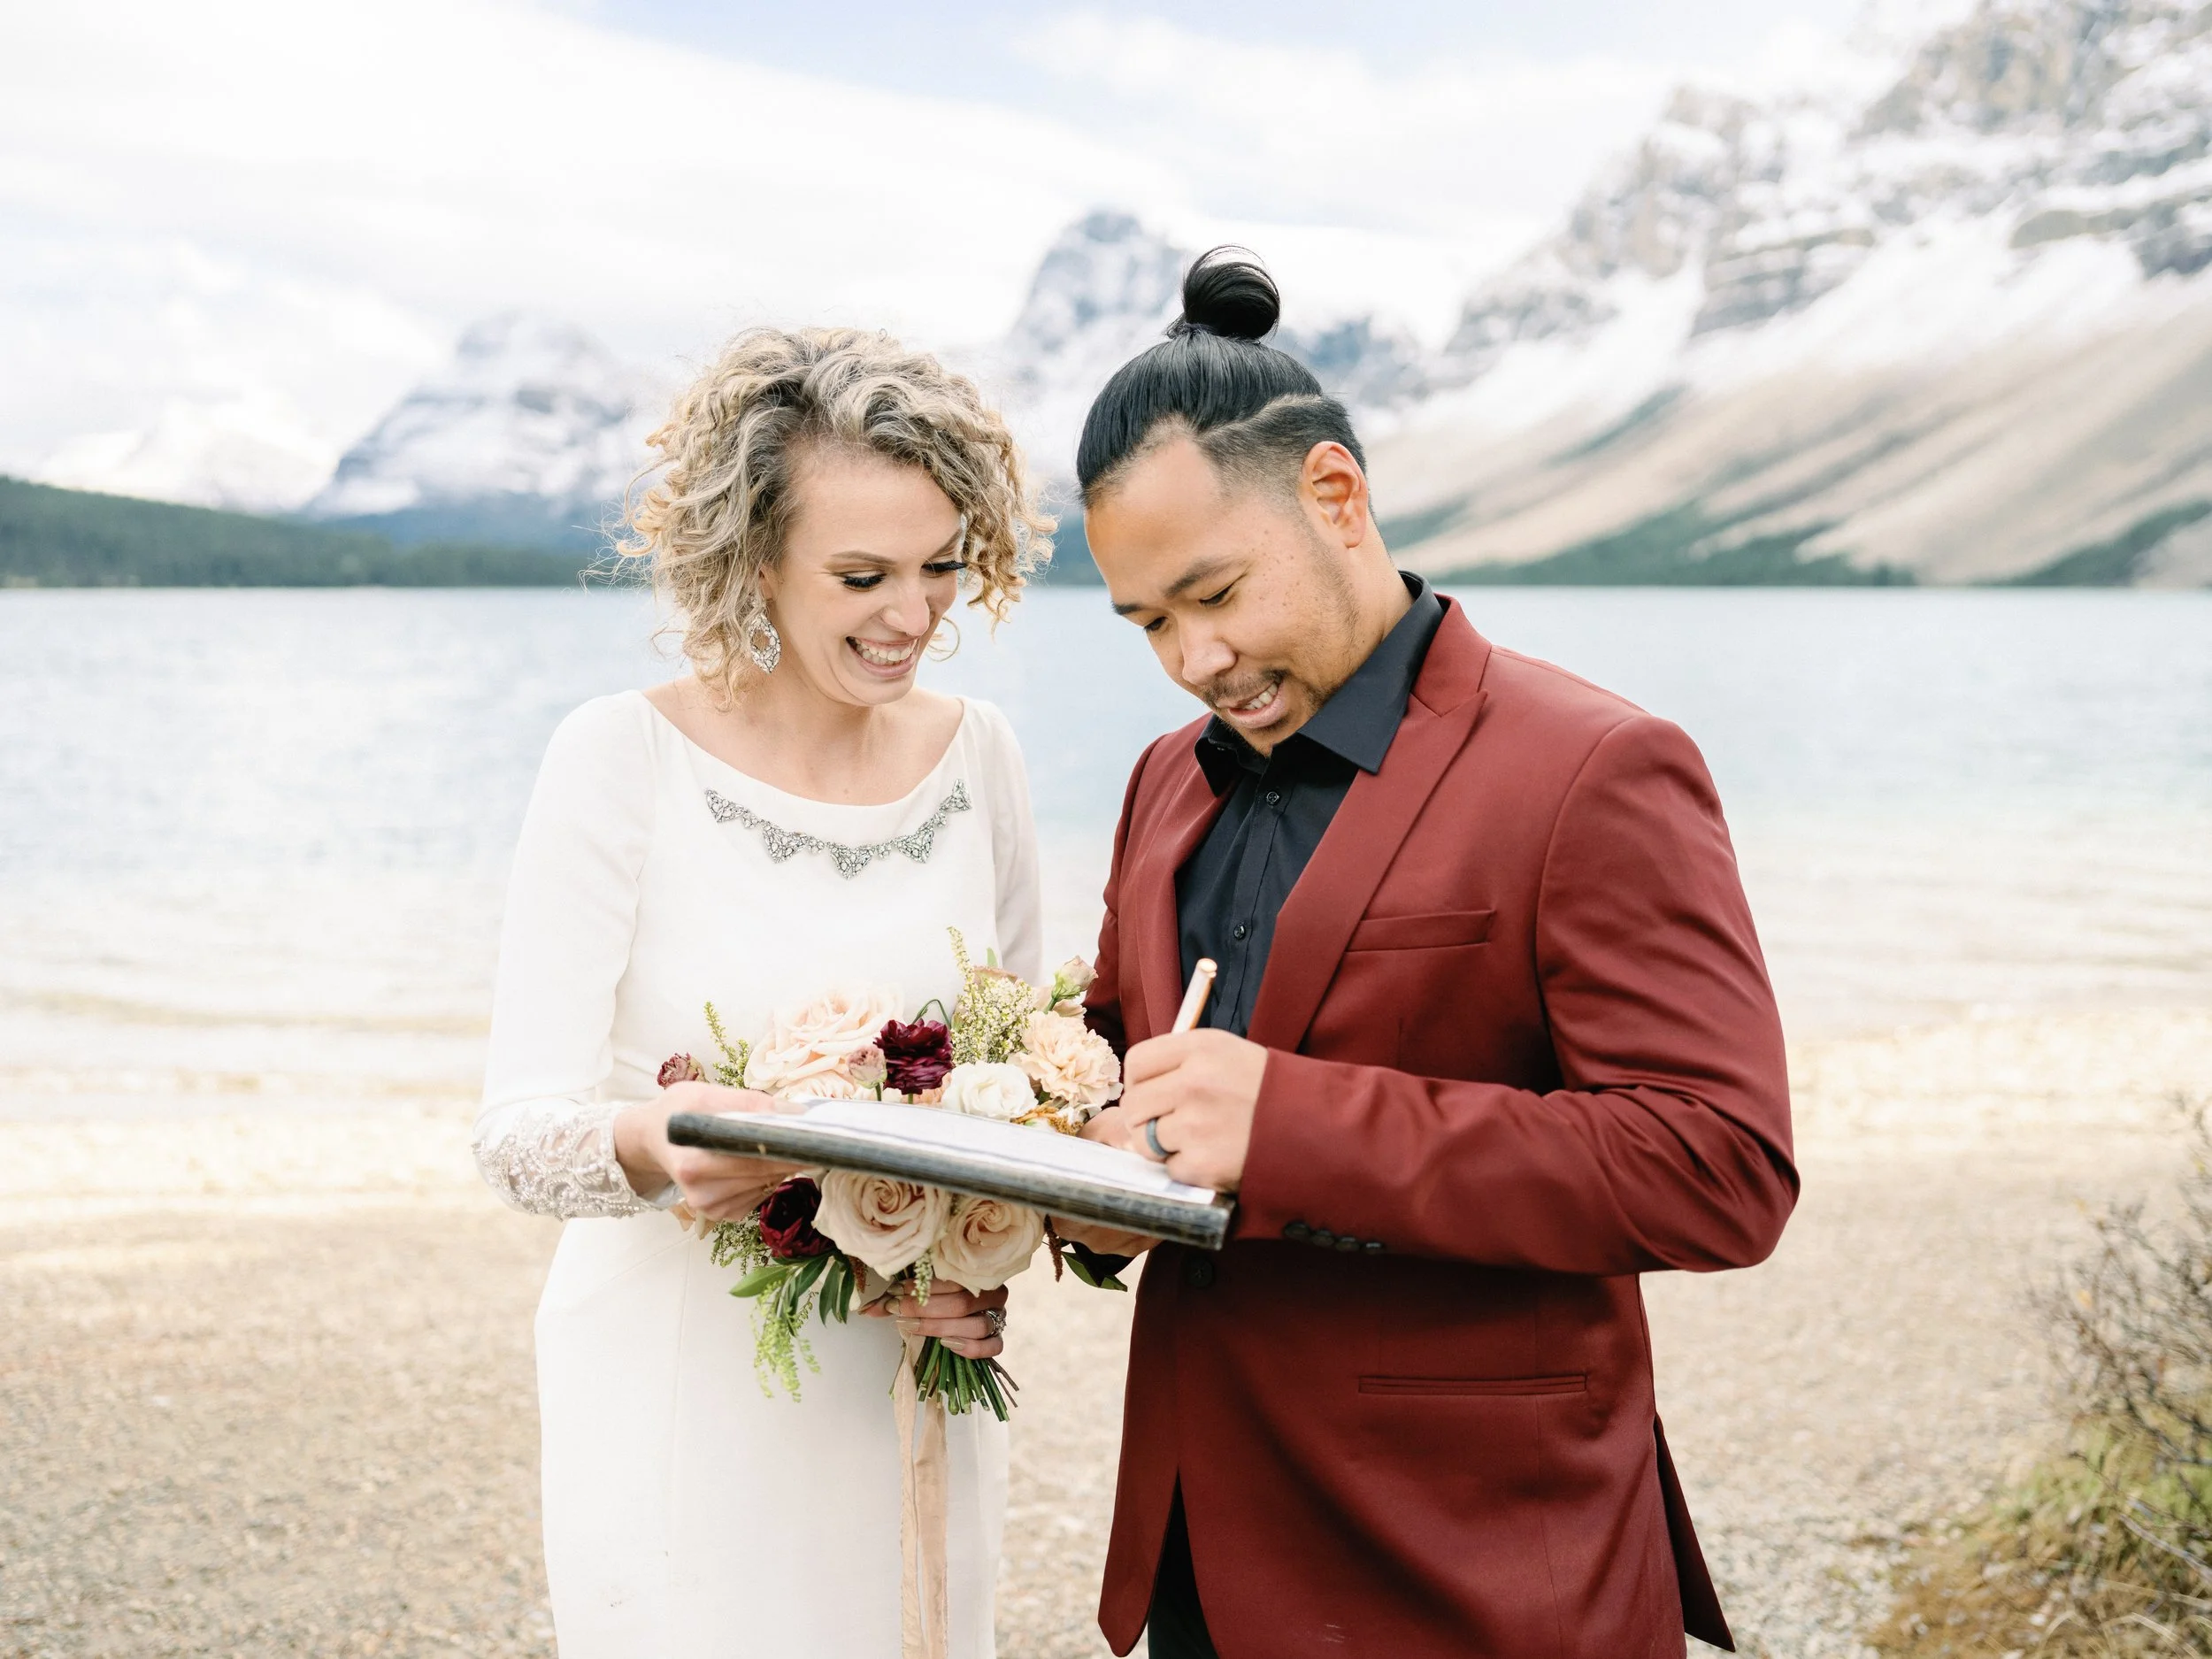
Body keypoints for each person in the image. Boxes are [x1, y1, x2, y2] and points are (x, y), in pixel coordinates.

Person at [1059, 250, 1799, 1658]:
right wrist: (1067, 1184)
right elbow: (1122, 1067)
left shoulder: (1596, 767)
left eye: (1214, 593)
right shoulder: (1164, 779)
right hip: (1201, 1558)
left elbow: (1721, 1167)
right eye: (1147, 620)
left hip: (1480, 1565)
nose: (1191, 659)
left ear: (1336, 498)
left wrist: (1287, 1120)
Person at [472, 326, 1050, 1656]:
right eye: (862, 575)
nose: (912, 615)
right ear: (751, 561)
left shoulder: (986, 759)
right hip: (681, 1376)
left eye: (940, 567)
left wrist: (983, 1260)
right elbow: (515, 1132)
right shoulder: (618, 758)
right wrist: (662, 1144)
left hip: (907, 1374)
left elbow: (1017, 1092)